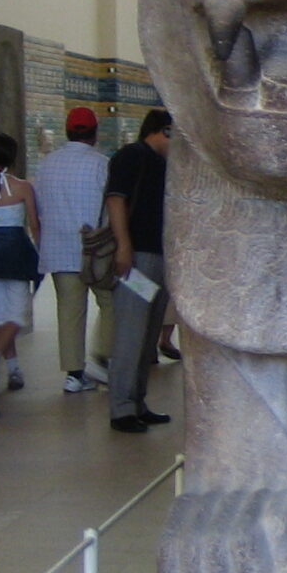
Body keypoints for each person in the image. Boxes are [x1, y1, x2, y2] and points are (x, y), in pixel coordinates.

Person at [33, 106, 113, 393]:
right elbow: (111, 205)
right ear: (95, 133)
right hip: (96, 249)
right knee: (111, 303)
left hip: (59, 249)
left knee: (69, 312)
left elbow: (39, 206)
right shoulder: (101, 164)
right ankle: (105, 357)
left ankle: (74, 375)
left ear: (67, 132)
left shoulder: (46, 165)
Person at [105, 109, 172, 434]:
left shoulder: (165, 164)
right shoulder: (132, 155)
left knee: (147, 337)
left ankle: (138, 402)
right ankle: (121, 408)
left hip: (160, 257)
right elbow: (116, 201)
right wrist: (124, 246)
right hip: (137, 259)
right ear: (163, 131)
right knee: (130, 334)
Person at [0, 133, 40, 395]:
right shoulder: (23, 187)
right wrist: (41, 251)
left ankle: (12, 370)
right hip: (16, 253)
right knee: (18, 314)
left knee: (1, 314)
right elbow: (34, 224)